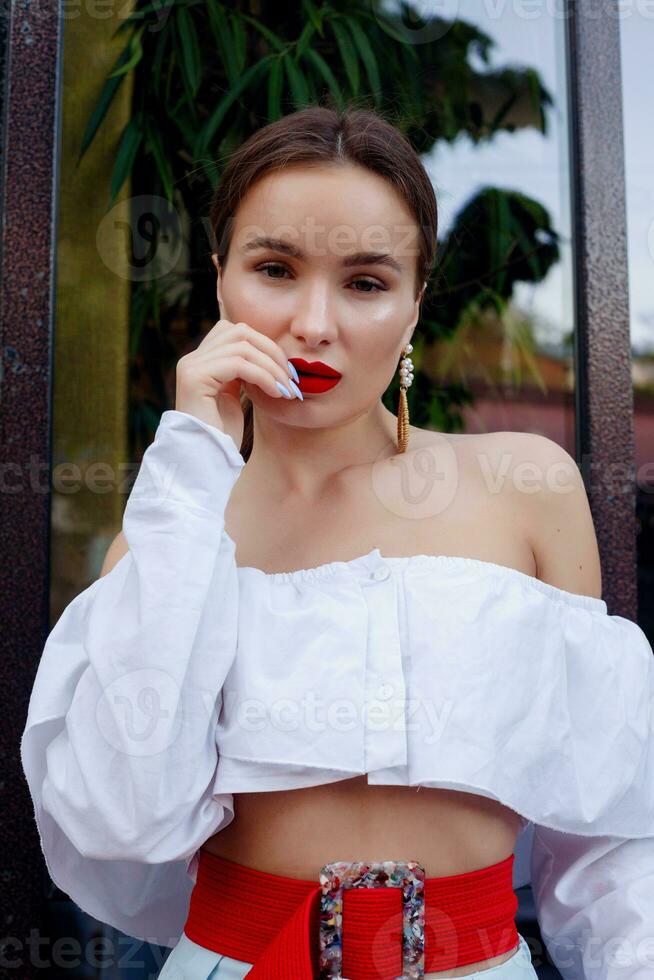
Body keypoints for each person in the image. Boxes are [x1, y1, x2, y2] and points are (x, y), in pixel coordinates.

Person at [20, 105, 654, 980]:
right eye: (275, 268)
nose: (313, 324)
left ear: (414, 306)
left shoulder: (526, 485)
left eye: (364, 282)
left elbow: (608, 831)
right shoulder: (175, 531)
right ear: (220, 281)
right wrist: (192, 457)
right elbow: (123, 823)